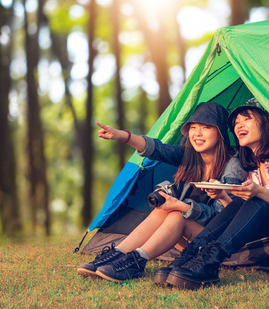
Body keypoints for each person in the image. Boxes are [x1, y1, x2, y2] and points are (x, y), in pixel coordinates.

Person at [164, 98, 269, 290]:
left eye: (246, 119)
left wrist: (258, 191)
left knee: (258, 200)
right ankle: (192, 253)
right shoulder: (254, 164)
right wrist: (223, 195)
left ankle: (212, 261)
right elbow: (242, 213)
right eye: (235, 124)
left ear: (266, 122)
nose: (238, 125)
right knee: (244, 201)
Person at [76, 102, 247, 283]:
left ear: (220, 132)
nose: (197, 133)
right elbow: (156, 149)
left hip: (217, 244)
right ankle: (118, 254)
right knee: (164, 209)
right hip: (191, 241)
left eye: (205, 127)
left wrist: (180, 206)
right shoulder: (190, 156)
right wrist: (123, 136)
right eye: (193, 127)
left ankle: (137, 261)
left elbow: (223, 216)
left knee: (176, 214)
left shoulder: (233, 165)